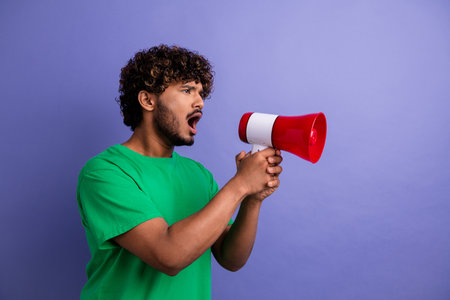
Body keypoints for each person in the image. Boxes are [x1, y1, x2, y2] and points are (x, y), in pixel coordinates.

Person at [77, 44, 283, 300]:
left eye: (201, 93)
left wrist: (252, 198)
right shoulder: (105, 173)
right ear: (148, 100)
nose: (200, 103)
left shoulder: (199, 175)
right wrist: (240, 185)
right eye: (187, 90)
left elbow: (231, 258)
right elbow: (169, 255)